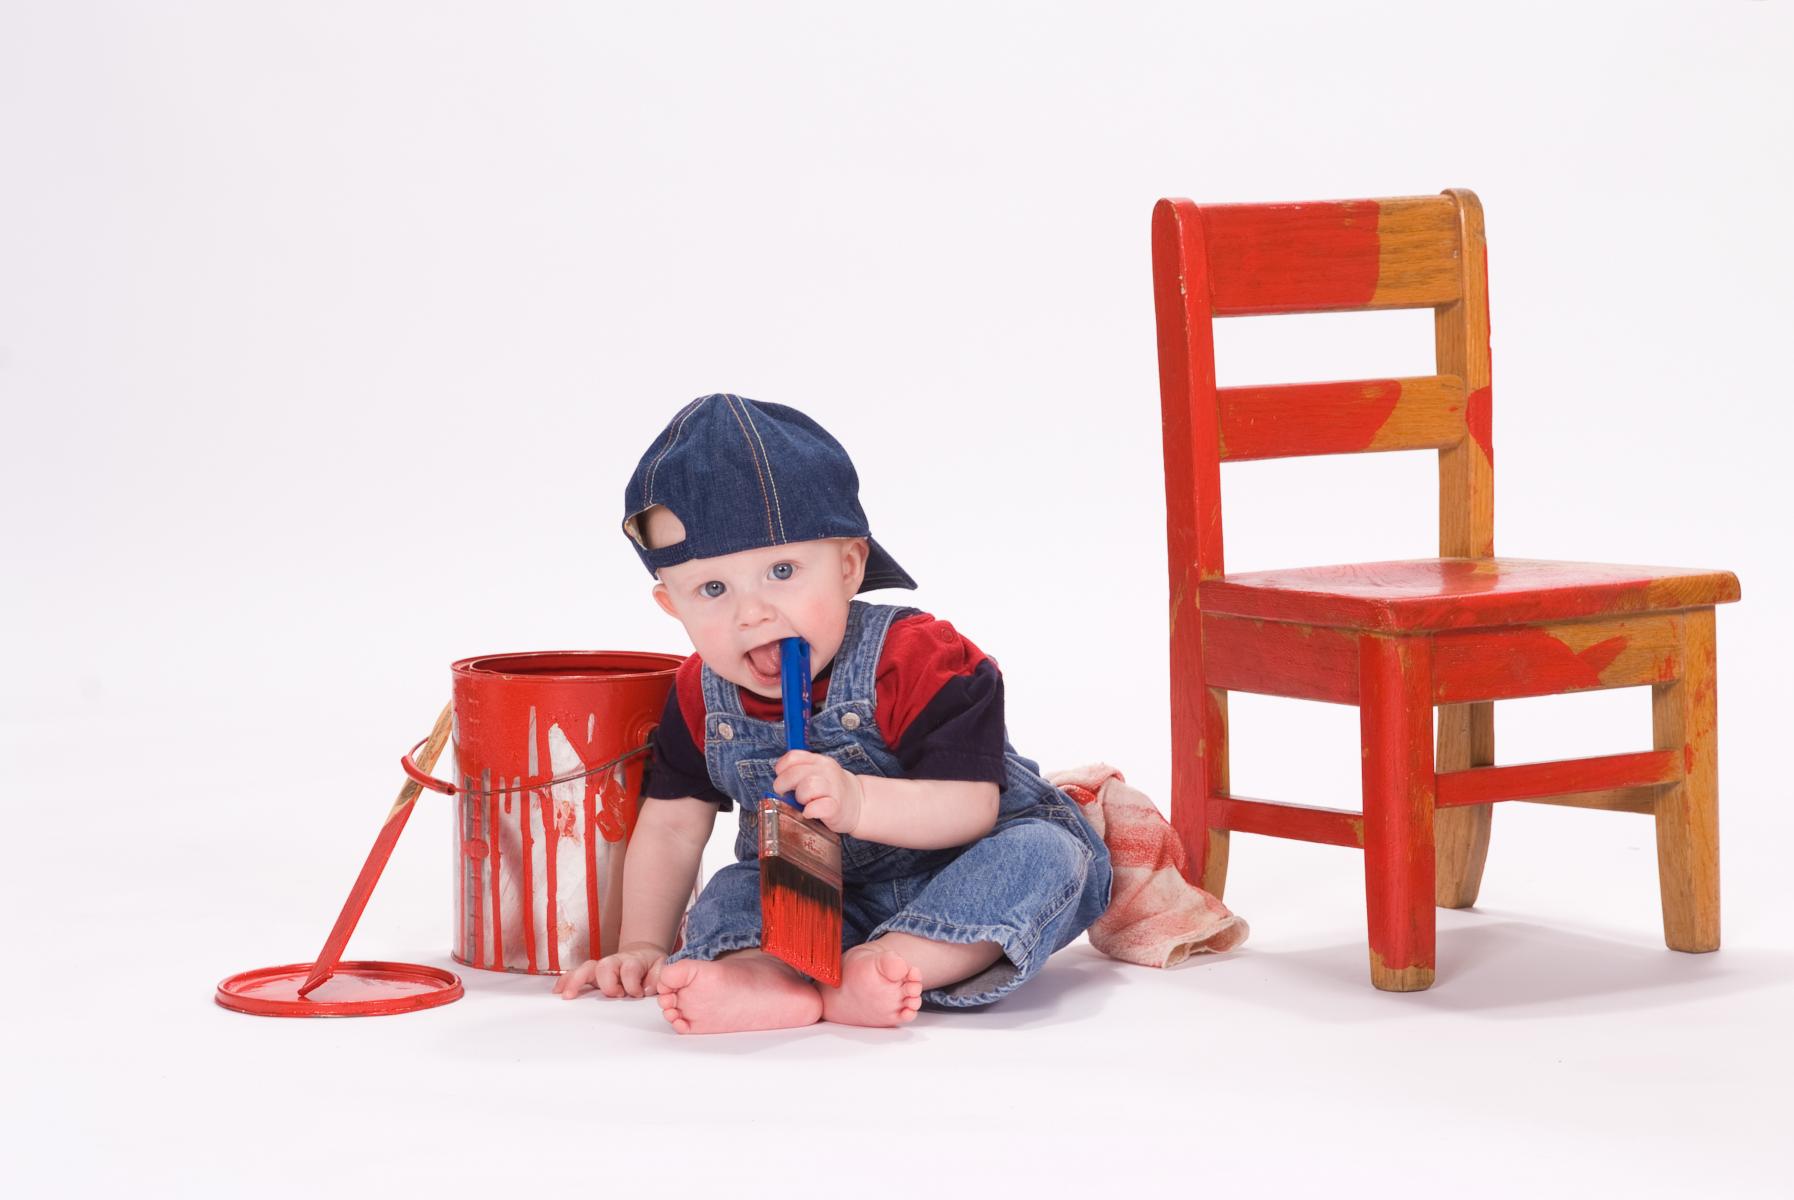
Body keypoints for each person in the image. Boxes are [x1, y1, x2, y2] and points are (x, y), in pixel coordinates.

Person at [555, 394, 1111, 1032]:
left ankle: (899, 961)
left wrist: (859, 803)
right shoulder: (698, 696)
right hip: (815, 897)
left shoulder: (919, 660)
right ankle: (767, 976)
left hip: (961, 866)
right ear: (671, 605)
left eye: (782, 571)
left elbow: (971, 807)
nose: (752, 612)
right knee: (735, 889)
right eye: (713, 589)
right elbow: (674, 828)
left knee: (1048, 856)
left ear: (850, 567)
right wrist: (645, 945)